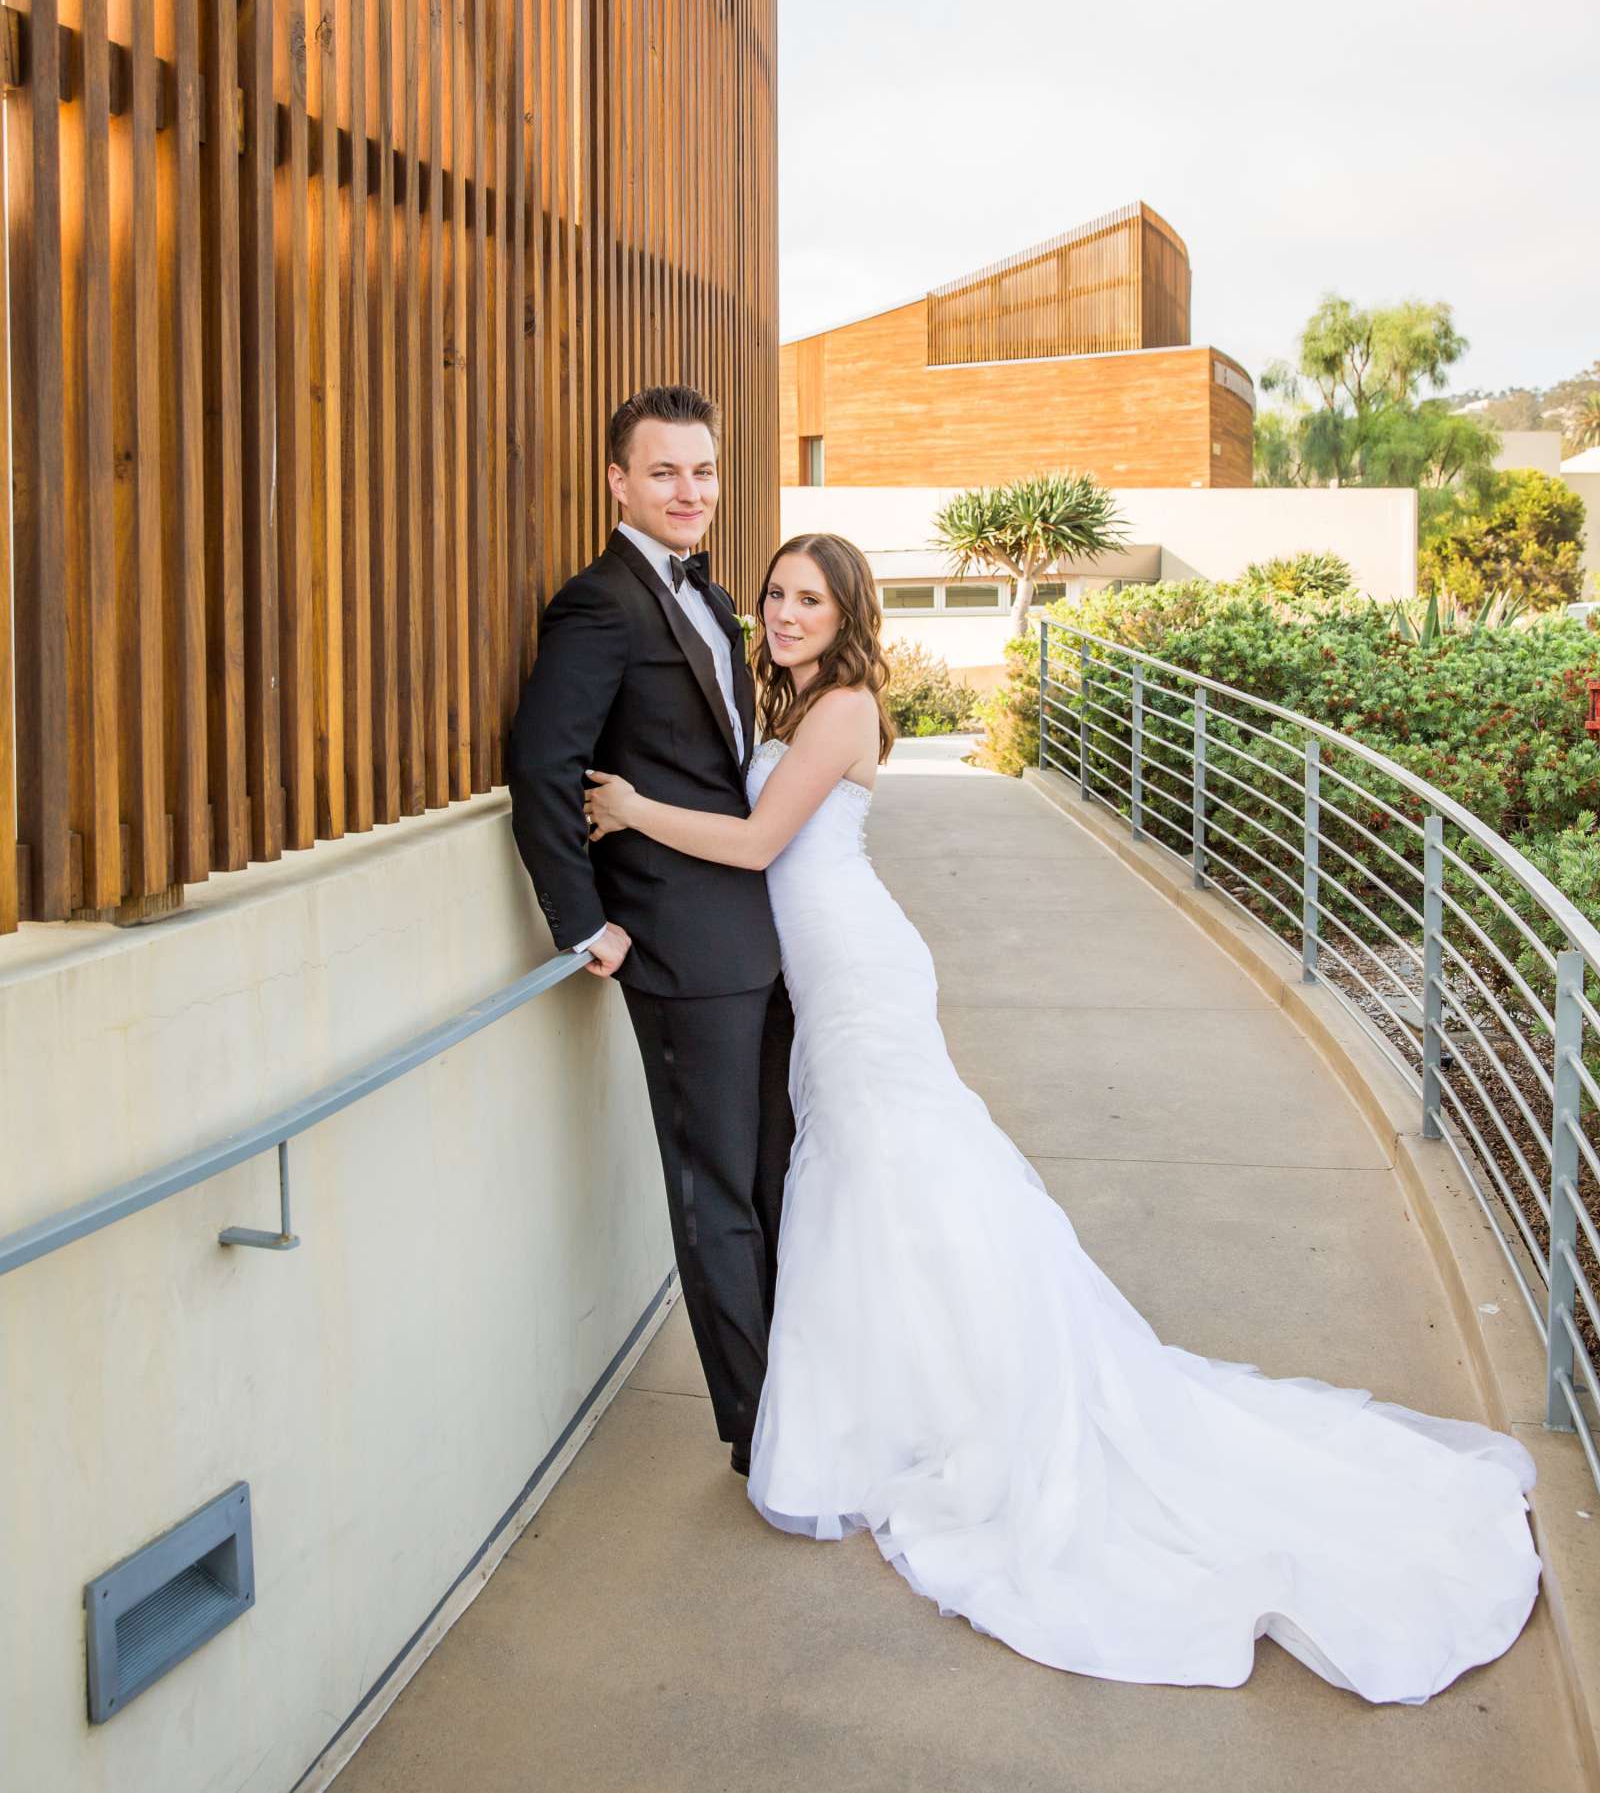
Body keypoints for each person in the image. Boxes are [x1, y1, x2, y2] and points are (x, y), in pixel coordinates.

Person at [581, 529, 1543, 1704]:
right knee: (871, 1185)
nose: (784, 614)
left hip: (861, 974)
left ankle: (962, 1402)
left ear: (848, 614)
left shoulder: (836, 709)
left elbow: (754, 840)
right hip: (823, 979)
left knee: (904, 1174)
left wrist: (629, 808)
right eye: (776, 595)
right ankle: (913, 1394)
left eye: (809, 601)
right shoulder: (789, 698)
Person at [507, 386, 794, 1479]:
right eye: (664, 471)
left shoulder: (715, 600)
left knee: (775, 1178)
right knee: (715, 1194)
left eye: (704, 471)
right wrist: (588, 926)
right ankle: (763, 1433)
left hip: (757, 937)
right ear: (618, 480)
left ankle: (799, 1389)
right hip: (675, 947)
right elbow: (543, 767)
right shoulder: (598, 606)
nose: (689, 492)